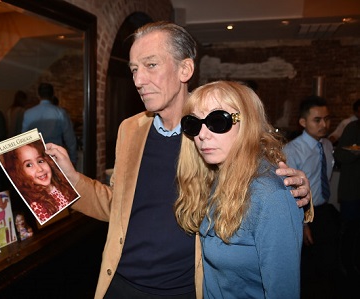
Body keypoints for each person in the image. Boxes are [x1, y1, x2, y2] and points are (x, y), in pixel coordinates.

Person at [46, 21, 312, 299]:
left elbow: (256, 179)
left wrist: (301, 194)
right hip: (121, 282)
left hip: (185, 289)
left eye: (151, 65)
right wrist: (70, 178)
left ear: (185, 69)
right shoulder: (130, 129)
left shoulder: (211, 131)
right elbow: (118, 206)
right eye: (134, 69)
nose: (138, 80)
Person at [174, 80, 304, 298]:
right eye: (193, 124)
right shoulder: (213, 176)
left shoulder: (269, 195)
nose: (202, 135)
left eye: (217, 121)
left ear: (247, 123)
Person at [283, 95, 340, 296]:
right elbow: (289, 191)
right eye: (317, 120)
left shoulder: (326, 145)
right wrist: (303, 223)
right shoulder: (292, 150)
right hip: (303, 214)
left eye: (327, 119)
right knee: (307, 269)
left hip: (323, 210)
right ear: (303, 122)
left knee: (329, 264)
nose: (324, 124)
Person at [1, 140, 77, 224]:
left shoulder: (61, 186)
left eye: (40, 161)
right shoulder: (36, 205)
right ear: (19, 173)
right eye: (29, 165)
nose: (40, 169)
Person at [21, 83, 78, 165]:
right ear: (53, 94)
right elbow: (70, 138)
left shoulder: (28, 113)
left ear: (38, 95)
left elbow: (24, 138)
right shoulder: (60, 113)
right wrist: (73, 159)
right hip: (55, 156)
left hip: (36, 156)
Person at [333, 118, 360, 280]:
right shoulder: (353, 128)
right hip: (352, 191)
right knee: (349, 231)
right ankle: (346, 266)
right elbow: (341, 155)